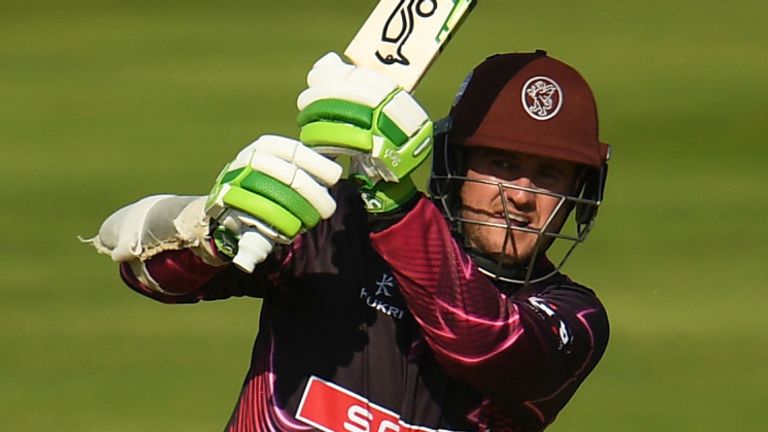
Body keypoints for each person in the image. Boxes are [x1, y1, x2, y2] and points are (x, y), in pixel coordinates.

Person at [88, 49, 611, 432]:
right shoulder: (338, 230)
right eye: (502, 165)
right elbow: (147, 274)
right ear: (456, 164)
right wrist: (210, 231)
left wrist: (396, 208)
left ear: (576, 192)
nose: (521, 196)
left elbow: (485, 342)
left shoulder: (574, 318)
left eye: (549, 175)